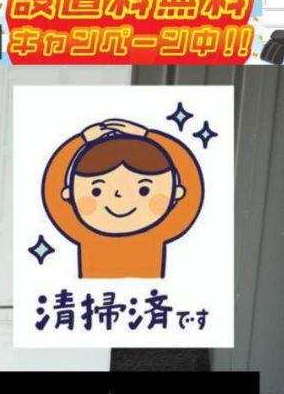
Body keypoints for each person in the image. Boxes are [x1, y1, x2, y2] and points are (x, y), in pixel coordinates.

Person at [41, 119, 204, 279]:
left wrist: (149, 136)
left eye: (144, 190)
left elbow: (191, 184)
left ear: (176, 192)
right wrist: (80, 141)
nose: (119, 196)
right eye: (97, 191)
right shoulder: (81, 230)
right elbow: (53, 189)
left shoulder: (162, 230)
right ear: (69, 194)